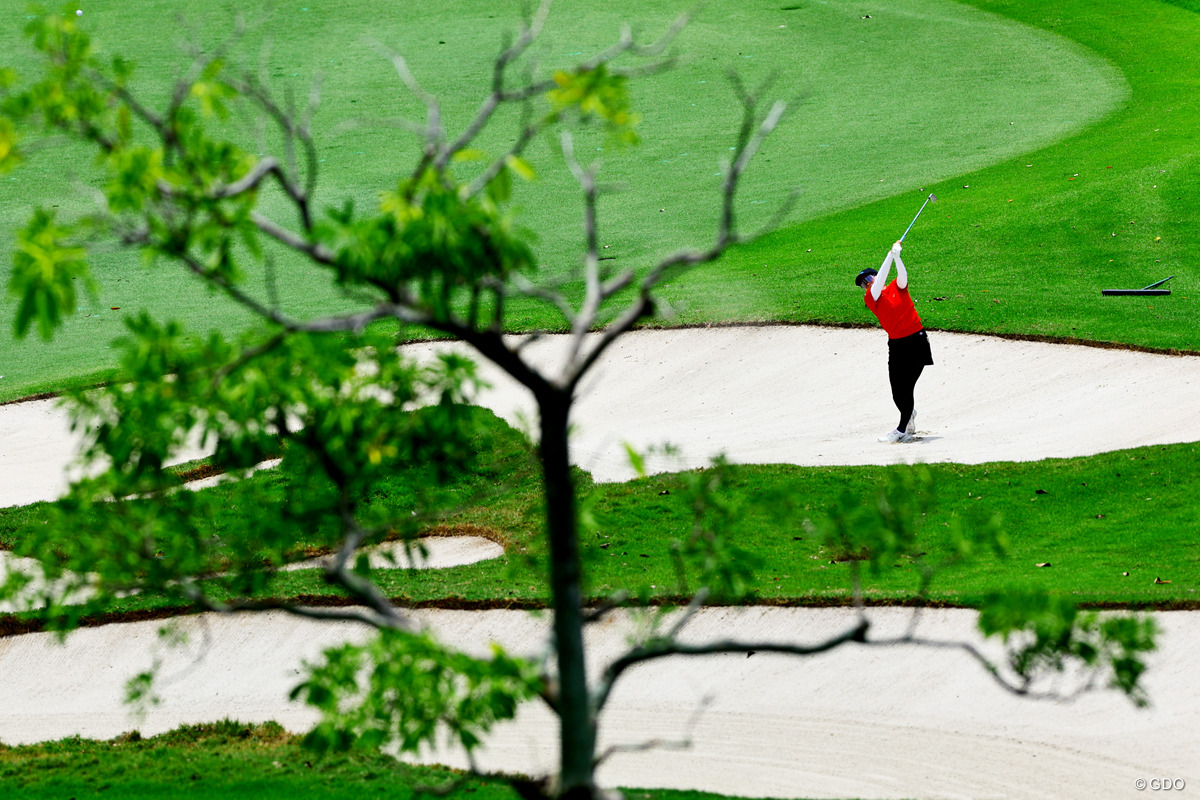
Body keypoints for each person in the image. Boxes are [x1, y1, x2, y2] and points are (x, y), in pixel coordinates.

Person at [854, 240, 933, 443]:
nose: (868, 283)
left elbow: (903, 277)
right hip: (897, 346)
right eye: (864, 282)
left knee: (906, 389)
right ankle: (909, 416)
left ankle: (901, 429)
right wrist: (890, 256)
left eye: (869, 277)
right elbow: (879, 283)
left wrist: (897, 257)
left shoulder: (897, 288)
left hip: (916, 340)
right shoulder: (871, 298)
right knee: (897, 391)